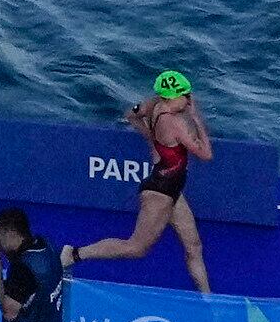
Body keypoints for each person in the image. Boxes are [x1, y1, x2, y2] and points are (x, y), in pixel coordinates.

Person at [64, 72, 214, 295]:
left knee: (194, 246)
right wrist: (196, 117)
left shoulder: (152, 105)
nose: (189, 99)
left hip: (173, 190)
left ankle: (209, 302)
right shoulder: (175, 123)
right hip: (160, 192)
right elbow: (206, 153)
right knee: (135, 247)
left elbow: (131, 114)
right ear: (175, 96)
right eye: (186, 95)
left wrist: (151, 137)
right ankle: (74, 254)